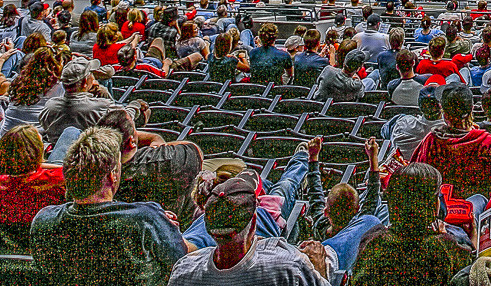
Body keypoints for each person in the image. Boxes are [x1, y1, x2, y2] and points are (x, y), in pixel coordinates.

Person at [30, 127, 189, 286]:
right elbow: (180, 259)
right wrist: (161, 222)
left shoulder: (43, 220)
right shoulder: (145, 218)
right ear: (112, 175)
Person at [167, 170, 327, 285]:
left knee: (284, 187)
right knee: (285, 186)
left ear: (207, 226)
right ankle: (303, 158)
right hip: (273, 219)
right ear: (254, 222)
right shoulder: (289, 267)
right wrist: (319, 268)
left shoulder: (183, 272)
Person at [349, 163, 475, 286]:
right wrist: (470, 235)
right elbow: (473, 269)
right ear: (432, 204)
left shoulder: (373, 243)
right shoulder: (447, 249)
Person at [303, 135, 388, 273]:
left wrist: (313, 158)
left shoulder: (320, 225)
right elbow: (372, 196)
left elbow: (315, 194)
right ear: (357, 210)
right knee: (380, 207)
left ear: (326, 211)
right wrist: (373, 158)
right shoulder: (363, 229)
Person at [412, 84, 491, 198]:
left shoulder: (431, 141)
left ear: (444, 114)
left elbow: (419, 176)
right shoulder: (490, 144)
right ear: (472, 108)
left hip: (441, 207)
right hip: (479, 210)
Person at [0, 124, 64, 247]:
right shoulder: (57, 178)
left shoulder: (3, 184)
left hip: (13, 238)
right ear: (37, 152)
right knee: (70, 131)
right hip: (48, 238)